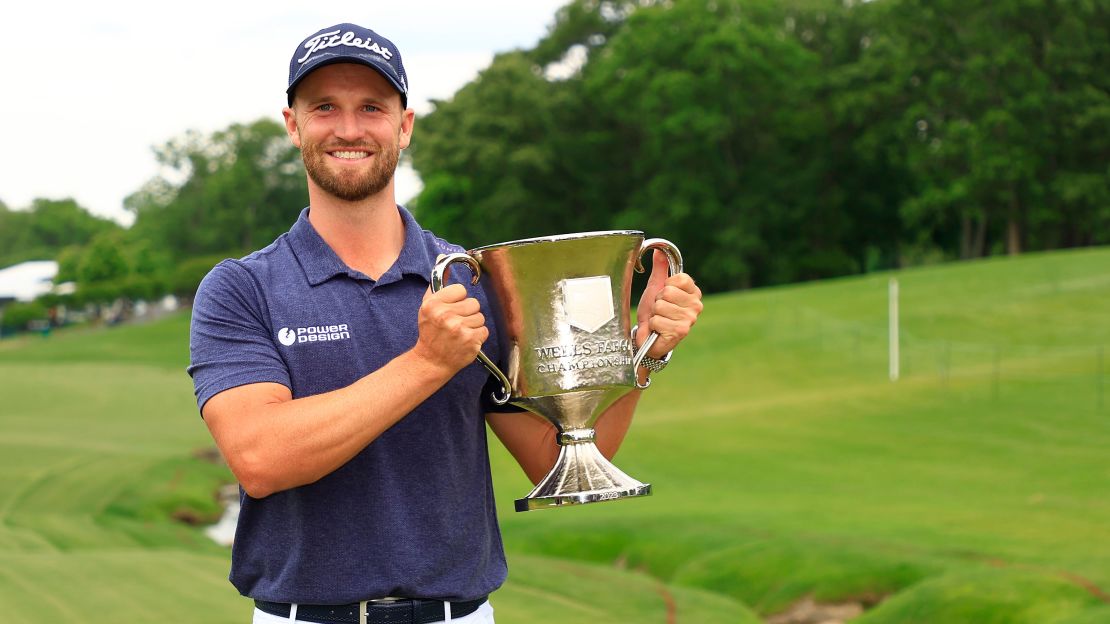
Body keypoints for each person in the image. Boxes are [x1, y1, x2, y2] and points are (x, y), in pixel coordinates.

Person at [188, 22, 704, 624]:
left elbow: (554, 458)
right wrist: (426, 363)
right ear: (293, 124)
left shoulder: (477, 280)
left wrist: (640, 353)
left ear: (404, 126)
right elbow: (261, 460)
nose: (349, 128)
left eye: (372, 108)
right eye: (325, 107)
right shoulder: (241, 287)